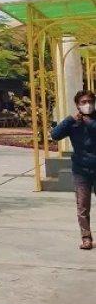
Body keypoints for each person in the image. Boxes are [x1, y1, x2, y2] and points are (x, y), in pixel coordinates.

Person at [51, 89, 96, 249]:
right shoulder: (73, 122)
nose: (87, 105)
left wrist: (88, 121)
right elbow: (55, 135)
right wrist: (69, 120)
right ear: (77, 105)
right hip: (81, 170)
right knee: (82, 206)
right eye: (83, 102)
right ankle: (86, 238)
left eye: (90, 101)